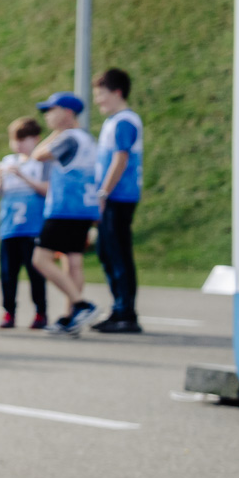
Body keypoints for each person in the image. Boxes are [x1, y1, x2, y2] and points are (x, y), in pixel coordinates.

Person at [31, 92, 101, 334]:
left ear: (68, 113)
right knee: (73, 262)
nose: (47, 116)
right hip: (84, 207)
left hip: (64, 208)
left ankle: (81, 305)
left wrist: (56, 132)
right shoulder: (87, 138)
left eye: (52, 110)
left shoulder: (68, 138)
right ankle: (69, 317)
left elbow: (38, 155)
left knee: (40, 259)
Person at [91, 67, 144, 333]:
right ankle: (118, 308)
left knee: (118, 253)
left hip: (118, 197)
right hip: (111, 197)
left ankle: (126, 313)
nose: (98, 100)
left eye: (101, 94)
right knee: (106, 252)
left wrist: (103, 193)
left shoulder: (125, 121)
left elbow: (120, 159)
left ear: (117, 92)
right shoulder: (113, 121)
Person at [0, 117, 49, 330]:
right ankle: (9, 312)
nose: (18, 144)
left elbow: (46, 190)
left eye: (23, 139)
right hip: (10, 228)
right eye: (15, 140)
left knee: (36, 273)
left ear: (36, 139)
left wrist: (23, 176)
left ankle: (40, 313)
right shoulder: (7, 161)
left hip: (33, 228)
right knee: (8, 274)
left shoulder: (41, 163)